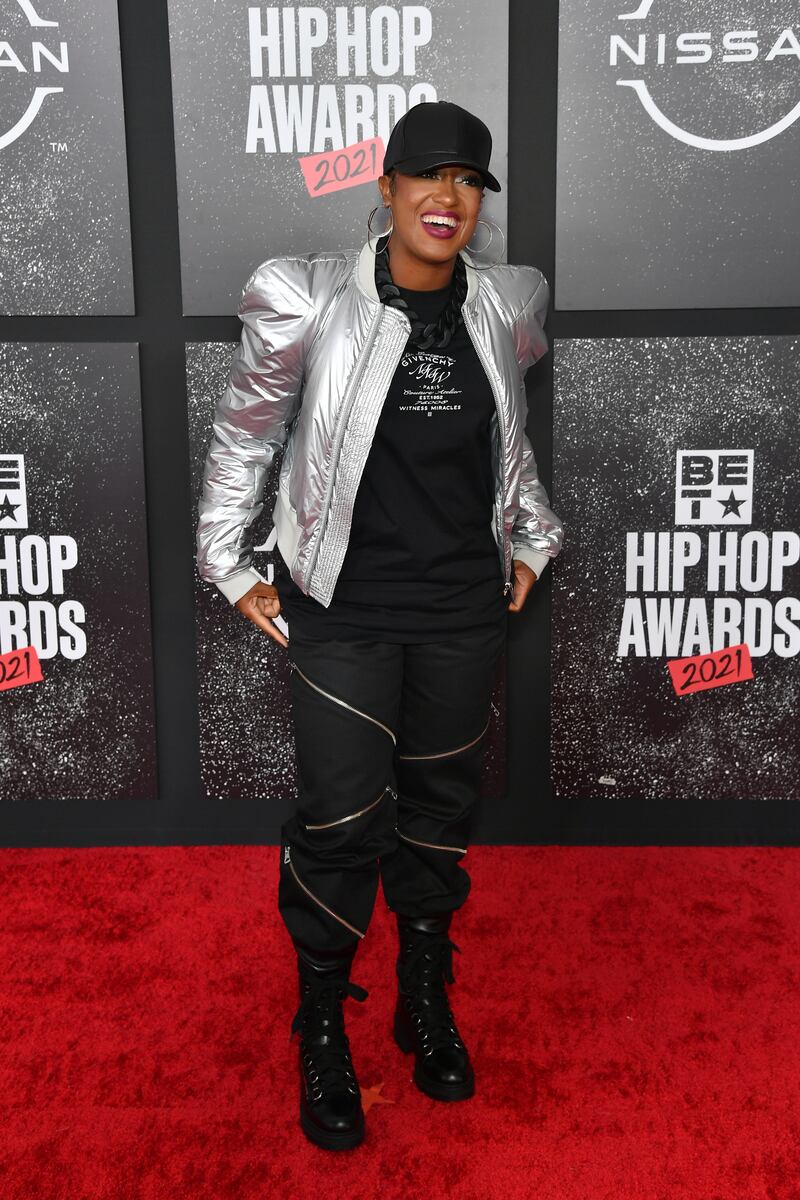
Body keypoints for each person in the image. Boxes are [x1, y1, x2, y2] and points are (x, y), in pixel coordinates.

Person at [195, 100, 563, 1151]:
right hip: (343, 609)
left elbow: (507, 442)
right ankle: (321, 1023)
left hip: (460, 608)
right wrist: (227, 561)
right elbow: (246, 434)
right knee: (340, 822)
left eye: (467, 181)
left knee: (439, 812)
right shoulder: (308, 298)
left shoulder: (506, 307)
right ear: (387, 187)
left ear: (479, 202)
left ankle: (422, 998)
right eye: (427, 176)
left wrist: (532, 534)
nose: (447, 198)